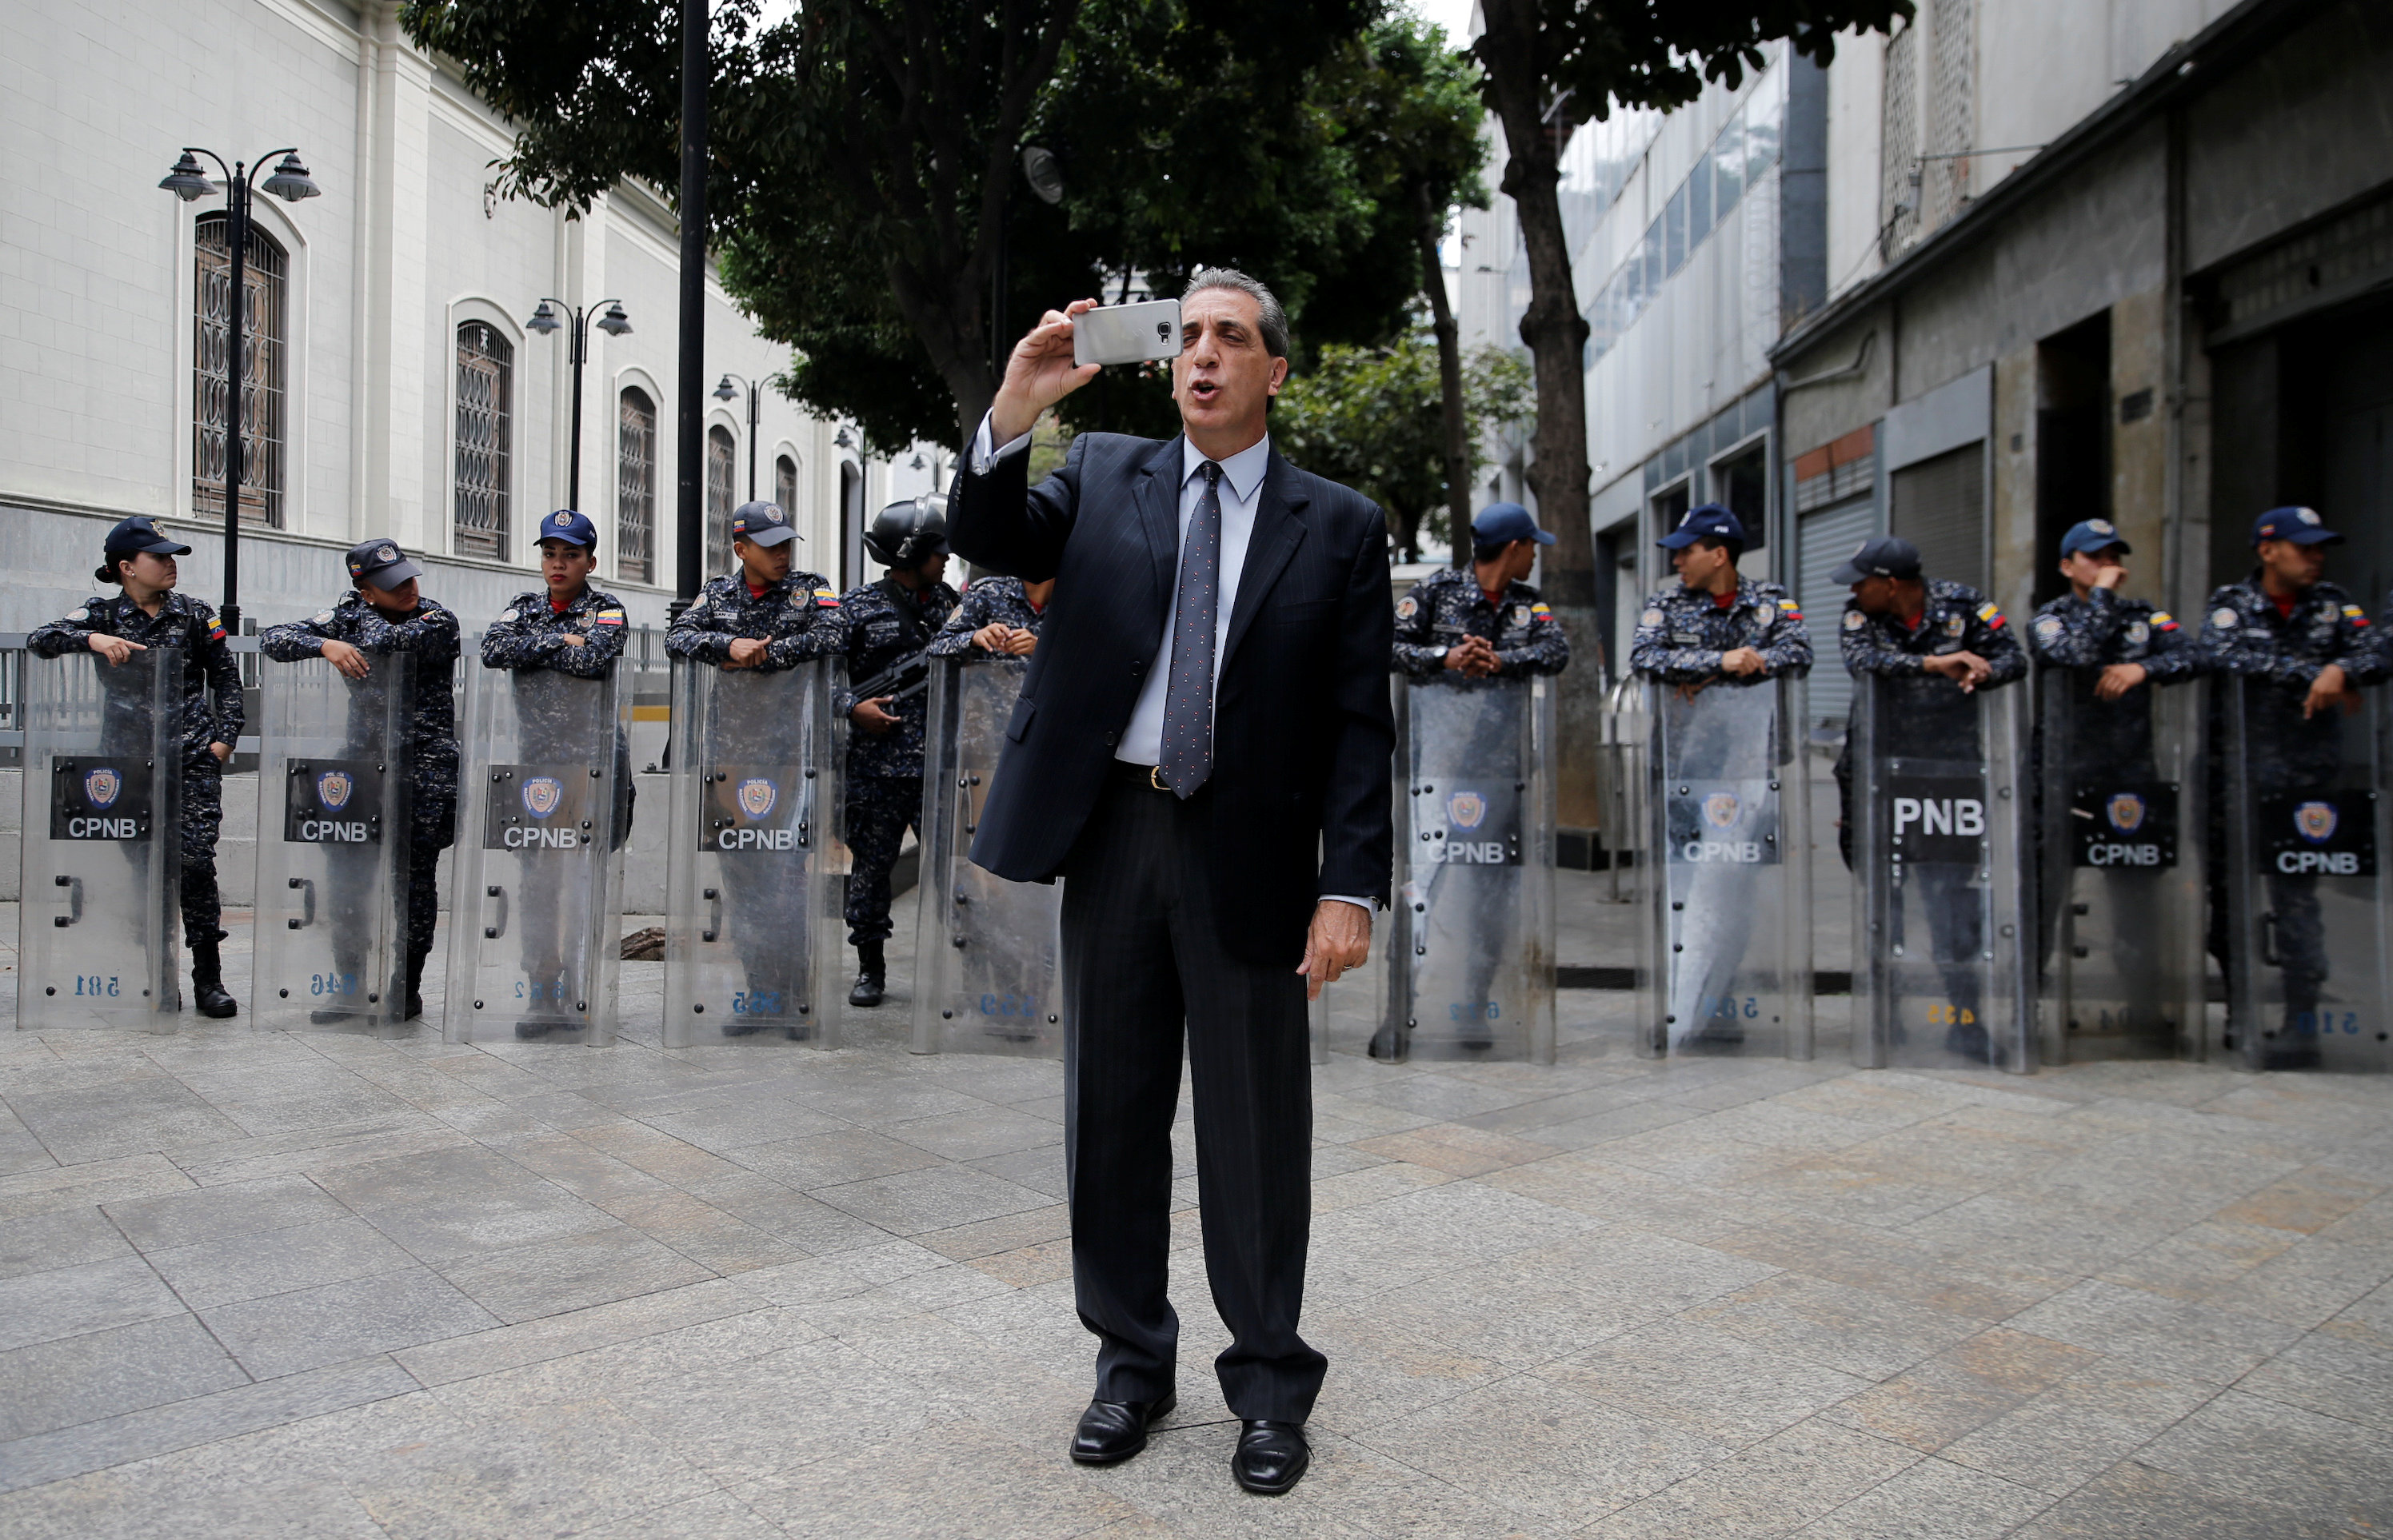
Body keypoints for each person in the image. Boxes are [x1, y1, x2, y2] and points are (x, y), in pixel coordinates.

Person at [949, 271, 1392, 1498]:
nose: (1203, 355)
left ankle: (1267, 1385)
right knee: (1113, 1116)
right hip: (1117, 836)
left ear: (1273, 372)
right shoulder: (1098, 474)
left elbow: (1362, 722)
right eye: (1189, 336)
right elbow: (986, 539)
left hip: (1250, 850)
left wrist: (1349, 886)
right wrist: (1018, 401)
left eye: (1231, 338)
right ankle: (1132, 1367)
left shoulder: (1340, 525)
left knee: (1256, 1132)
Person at [30, 517, 245, 1018]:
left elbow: (226, 681)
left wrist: (223, 741)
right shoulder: (101, 613)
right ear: (126, 568)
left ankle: (208, 979)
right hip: (127, 766)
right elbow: (42, 639)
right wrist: (91, 640)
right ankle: (155, 974)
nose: (171, 565)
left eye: (173, 557)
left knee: (193, 863)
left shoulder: (195, 614)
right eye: (160, 557)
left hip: (191, 760)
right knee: (142, 870)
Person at [2200, 507, 2384, 1067]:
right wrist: (2320, 673)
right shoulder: (2232, 603)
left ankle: (2302, 1021)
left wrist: (2348, 671)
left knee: (2298, 903)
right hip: (2237, 779)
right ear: (2267, 550)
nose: (2316, 556)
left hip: (2306, 786)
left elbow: (2373, 649)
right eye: (2304, 547)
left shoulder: (2334, 604)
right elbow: (2222, 654)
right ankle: (2240, 1012)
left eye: (2319, 547)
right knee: (2230, 904)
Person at [1833, 536, 2027, 1058]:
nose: (1851, 589)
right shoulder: (1860, 617)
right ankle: (1884, 1015)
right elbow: (1863, 663)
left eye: (1860, 579)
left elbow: (2015, 657)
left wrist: (1984, 670)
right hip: (1876, 773)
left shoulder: (1965, 605)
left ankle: (1966, 1020)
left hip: (1948, 780)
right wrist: (1937, 665)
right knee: (1882, 902)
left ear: (1890, 584)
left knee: (1951, 904)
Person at [1628, 505, 1811, 1049]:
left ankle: (1714, 1003)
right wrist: (1721, 663)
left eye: (1687, 550)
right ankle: (1681, 1013)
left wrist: (1721, 668)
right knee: (1685, 892)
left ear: (1720, 553)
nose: (1678, 560)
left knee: (1733, 892)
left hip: (1751, 774)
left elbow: (1799, 652)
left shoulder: (1772, 602)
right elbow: (1644, 656)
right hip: (1683, 773)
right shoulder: (1666, 605)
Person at [260, 539, 463, 1021]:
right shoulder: (348, 617)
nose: (411, 588)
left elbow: (388, 642)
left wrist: (346, 624)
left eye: (411, 578)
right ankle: (350, 986)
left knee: (412, 886)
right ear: (367, 590)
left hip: (424, 771)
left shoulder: (436, 619)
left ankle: (404, 988)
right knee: (348, 885)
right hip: (361, 773)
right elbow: (274, 639)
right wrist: (324, 643)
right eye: (395, 585)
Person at [665, 501, 843, 1036]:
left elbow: (836, 633)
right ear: (742, 549)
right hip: (732, 765)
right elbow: (678, 638)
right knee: (744, 885)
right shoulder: (717, 595)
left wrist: (768, 655)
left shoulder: (811, 589)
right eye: (771, 545)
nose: (784, 553)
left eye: (787, 543)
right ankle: (762, 994)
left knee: (789, 882)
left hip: (794, 761)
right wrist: (727, 644)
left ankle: (798, 995)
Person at [480, 509, 633, 1037]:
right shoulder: (522, 608)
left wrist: (543, 650)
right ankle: (542, 989)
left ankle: (580, 988)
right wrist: (554, 643)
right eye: (550, 554)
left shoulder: (606, 608)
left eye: (570, 555)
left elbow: (595, 659)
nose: (558, 564)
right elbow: (492, 651)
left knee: (581, 882)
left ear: (591, 561)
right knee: (539, 885)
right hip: (537, 772)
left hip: (590, 766)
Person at [833, 495, 959, 1007]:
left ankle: (965, 965)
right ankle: (870, 969)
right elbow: (821, 680)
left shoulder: (952, 604)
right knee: (870, 872)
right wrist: (851, 708)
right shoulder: (856, 609)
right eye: (937, 550)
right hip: (875, 771)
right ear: (910, 552)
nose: (946, 558)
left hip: (940, 771)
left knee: (957, 871)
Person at [1389, 502, 1569, 680]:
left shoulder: (1528, 600)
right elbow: (1386, 648)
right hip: (1437, 707)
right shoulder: (1433, 592)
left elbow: (1557, 650)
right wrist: (1442, 657)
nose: (1534, 555)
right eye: (1532, 545)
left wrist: (1500, 660)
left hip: (1509, 708)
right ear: (1515, 548)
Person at [926, 573, 1054, 658]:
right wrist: (974, 638)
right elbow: (934, 650)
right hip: (985, 696)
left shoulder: (1069, 608)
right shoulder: (989, 592)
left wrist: (1042, 650)